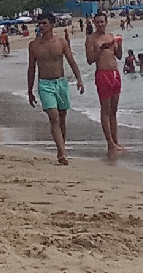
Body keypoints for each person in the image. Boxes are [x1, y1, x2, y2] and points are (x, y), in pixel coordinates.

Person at [26, 9, 84, 165]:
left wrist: (79, 79)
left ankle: (61, 148)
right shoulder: (34, 45)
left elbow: (71, 61)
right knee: (53, 116)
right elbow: (31, 68)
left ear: (52, 25)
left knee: (62, 118)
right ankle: (63, 153)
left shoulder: (61, 42)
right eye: (39, 23)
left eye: (44, 23)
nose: (41, 26)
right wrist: (30, 91)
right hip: (45, 84)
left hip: (61, 83)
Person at [84, 11, 125, 159]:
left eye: (102, 21)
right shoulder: (91, 39)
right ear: (94, 23)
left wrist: (119, 45)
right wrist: (100, 49)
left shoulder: (110, 36)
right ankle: (109, 142)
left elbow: (119, 56)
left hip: (115, 73)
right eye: (98, 22)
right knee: (105, 109)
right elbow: (90, 60)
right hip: (102, 73)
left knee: (114, 110)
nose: (100, 24)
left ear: (106, 22)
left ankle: (116, 141)